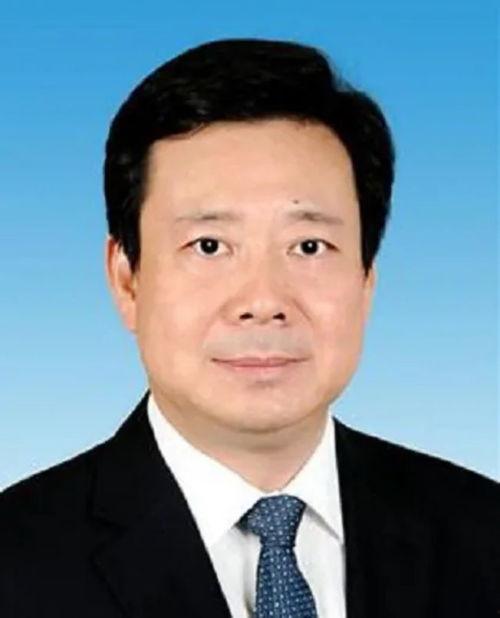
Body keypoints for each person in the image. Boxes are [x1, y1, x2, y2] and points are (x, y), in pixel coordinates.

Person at [0, 37, 498, 618]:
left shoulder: (482, 534)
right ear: (127, 279)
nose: (263, 302)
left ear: (366, 280)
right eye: (209, 246)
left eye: (309, 246)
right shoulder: (16, 565)